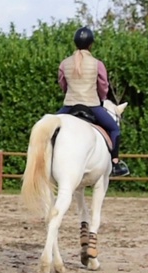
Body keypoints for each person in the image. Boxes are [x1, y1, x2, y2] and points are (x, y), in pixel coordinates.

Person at [56, 26, 130, 177]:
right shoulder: (97, 64)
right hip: (92, 105)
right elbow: (103, 86)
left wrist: (70, 93)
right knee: (115, 129)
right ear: (91, 44)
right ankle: (115, 164)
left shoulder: (64, 64)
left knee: (47, 127)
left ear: (75, 43)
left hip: (69, 106)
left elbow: (62, 84)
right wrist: (102, 98)